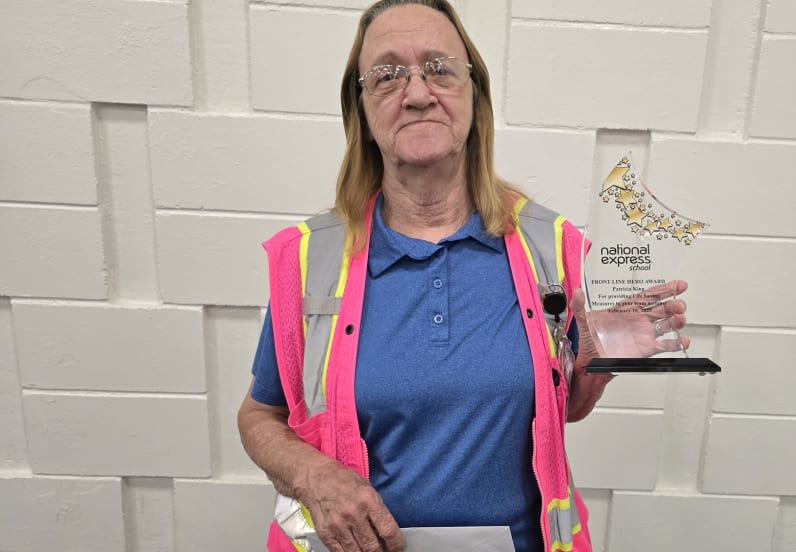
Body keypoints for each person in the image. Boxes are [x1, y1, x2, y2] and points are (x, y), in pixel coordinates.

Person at [237, 1, 689, 551]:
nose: (419, 93)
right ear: (361, 111)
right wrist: (312, 476)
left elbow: (558, 407)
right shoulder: (310, 259)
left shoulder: (547, 246)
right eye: (386, 75)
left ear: (476, 96)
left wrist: (598, 366)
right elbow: (261, 415)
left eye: (440, 68)